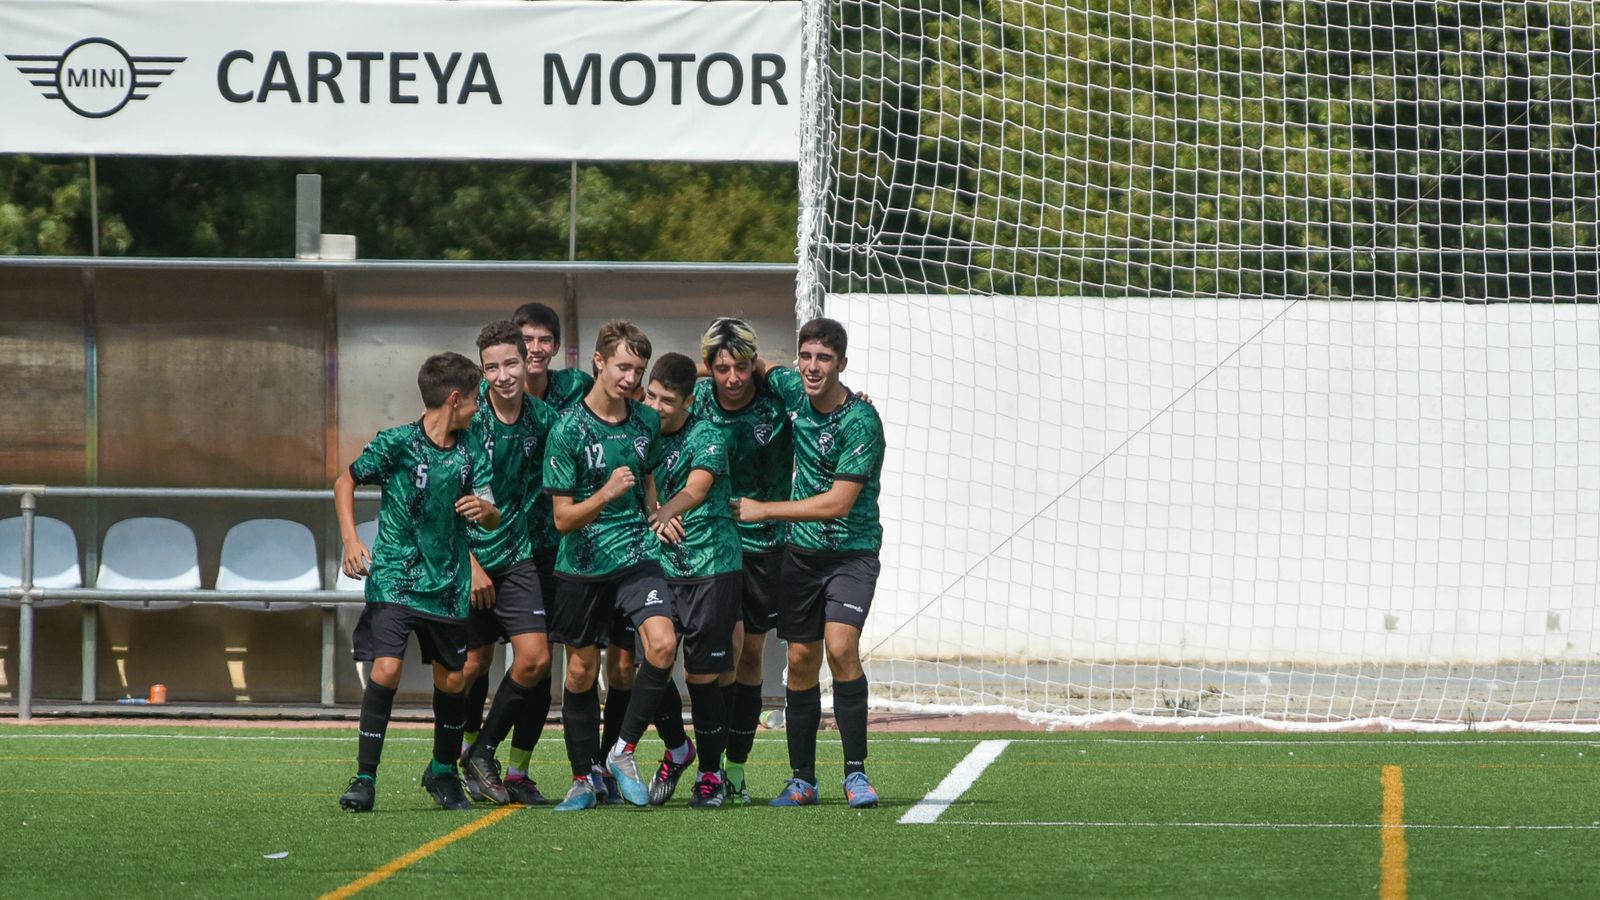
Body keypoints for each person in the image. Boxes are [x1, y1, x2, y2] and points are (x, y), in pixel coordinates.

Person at [335, 352, 501, 813]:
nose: (477, 409)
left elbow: (492, 514)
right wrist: (351, 539)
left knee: (453, 681)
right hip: (394, 578)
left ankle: (443, 774)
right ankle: (364, 778)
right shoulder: (396, 444)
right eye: (473, 401)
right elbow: (344, 482)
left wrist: (484, 512)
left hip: (447, 584)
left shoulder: (471, 453)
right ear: (454, 399)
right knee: (385, 669)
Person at [740, 318, 886, 809]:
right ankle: (802, 779)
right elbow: (748, 369)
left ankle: (856, 774)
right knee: (801, 661)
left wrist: (766, 509)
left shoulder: (862, 421)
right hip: (800, 556)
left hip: (852, 553)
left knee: (841, 647)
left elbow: (838, 502)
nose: (813, 366)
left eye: (824, 358)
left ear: (842, 364)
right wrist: (709, 362)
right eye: (807, 356)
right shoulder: (789, 388)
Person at [543, 320, 681, 811]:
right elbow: (562, 519)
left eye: (638, 369)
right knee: (581, 673)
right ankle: (583, 777)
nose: (630, 377)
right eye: (623, 366)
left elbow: (645, 474)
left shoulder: (645, 420)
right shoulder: (567, 430)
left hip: (636, 557)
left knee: (662, 646)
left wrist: (655, 511)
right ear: (599, 362)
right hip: (581, 564)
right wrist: (605, 493)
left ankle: (622, 751)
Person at [456, 321, 562, 806]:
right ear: (482, 371)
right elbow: (441, 497)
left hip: (522, 554)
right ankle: (452, 761)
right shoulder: (466, 418)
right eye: (492, 367)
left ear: (528, 363)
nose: (503, 375)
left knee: (537, 660)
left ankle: (492, 756)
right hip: (469, 557)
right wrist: (470, 563)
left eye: (511, 364)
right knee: (472, 663)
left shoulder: (544, 419)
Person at [690, 317, 794, 804]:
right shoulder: (696, 400)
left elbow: (829, 397)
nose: (732, 378)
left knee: (749, 653)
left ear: (755, 365)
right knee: (720, 652)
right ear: (708, 368)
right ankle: (709, 767)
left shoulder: (779, 402)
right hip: (711, 544)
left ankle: (736, 769)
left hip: (765, 546)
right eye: (722, 368)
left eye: (742, 367)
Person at [642, 352, 741, 807]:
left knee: (702, 676)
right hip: (658, 566)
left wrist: (664, 512)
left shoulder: (709, 435)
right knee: (652, 662)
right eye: (652, 395)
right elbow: (639, 478)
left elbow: (697, 490)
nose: (656, 406)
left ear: (688, 401)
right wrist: (652, 516)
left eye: (667, 400)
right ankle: (678, 749)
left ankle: (710, 775)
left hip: (711, 568)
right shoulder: (638, 429)